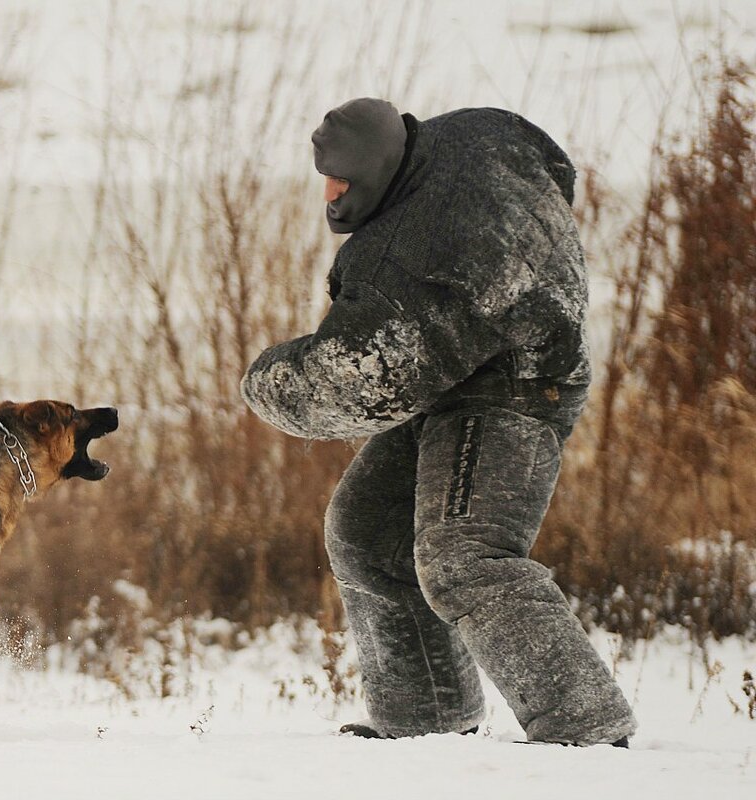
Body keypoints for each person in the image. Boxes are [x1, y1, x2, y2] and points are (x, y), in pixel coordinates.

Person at [240, 98, 636, 747]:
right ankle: (427, 718)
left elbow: (353, 381)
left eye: (341, 180)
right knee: (367, 533)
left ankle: (584, 725)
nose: (330, 193)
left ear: (374, 170)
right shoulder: (481, 133)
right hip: (457, 363)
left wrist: (264, 380)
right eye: (324, 177)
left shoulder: (402, 256)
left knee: (464, 554)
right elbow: (554, 169)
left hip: (524, 379)